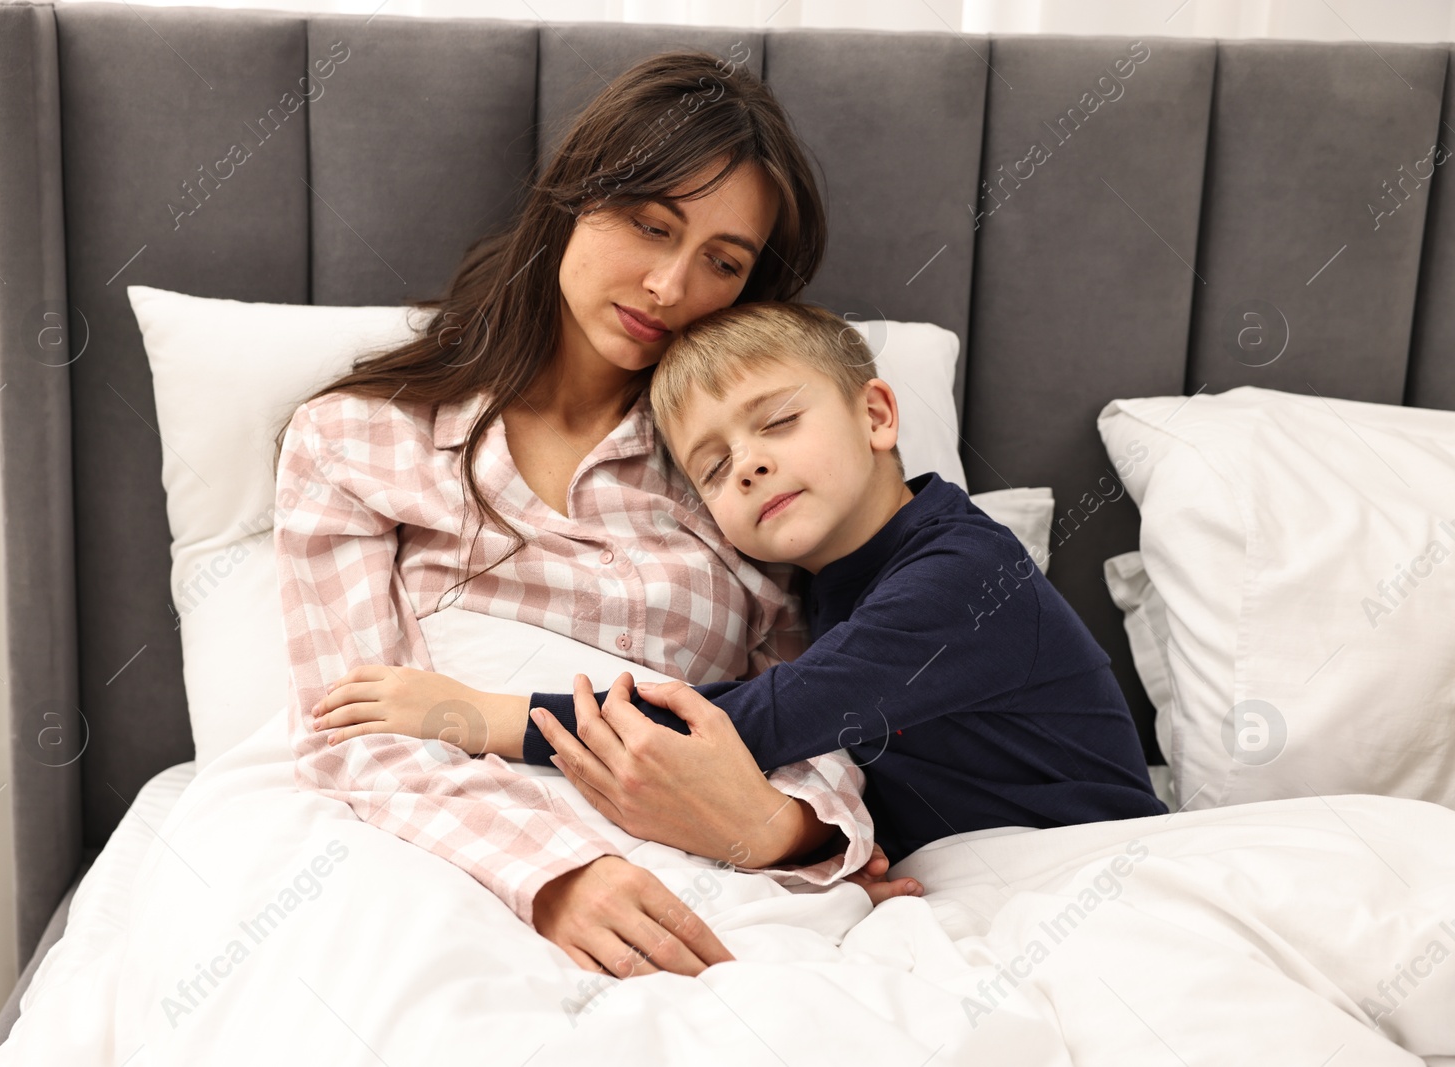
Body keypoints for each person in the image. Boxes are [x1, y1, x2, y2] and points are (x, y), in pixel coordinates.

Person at [275, 48, 907, 987]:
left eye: (721, 262)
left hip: (715, 861)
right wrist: (559, 875)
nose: (669, 286)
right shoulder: (355, 442)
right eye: (651, 225)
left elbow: (811, 713)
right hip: (444, 855)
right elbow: (355, 731)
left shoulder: (738, 471)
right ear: (575, 195)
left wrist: (782, 832)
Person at [327, 300, 1167, 868]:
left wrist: (480, 713)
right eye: (717, 466)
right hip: (981, 873)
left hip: (1090, 864)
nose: (752, 462)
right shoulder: (830, 588)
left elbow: (758, 722)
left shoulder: (961, 575)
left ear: (875, 415)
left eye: (778, 422)